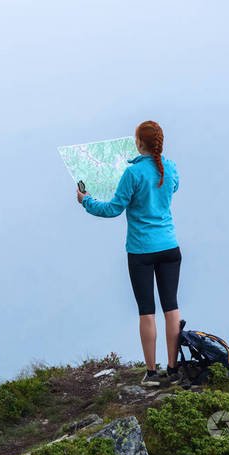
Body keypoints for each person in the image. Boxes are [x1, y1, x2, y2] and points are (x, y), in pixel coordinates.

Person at [76, 121, 182, 387]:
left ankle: (152, 373)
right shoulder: (170, 168)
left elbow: (112, 209)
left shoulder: (132, 174)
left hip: (141, 251)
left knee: (147, 311)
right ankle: (173, 368)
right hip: (170, 247)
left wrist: (85, 200)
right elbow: (173, 187)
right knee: (172, 308)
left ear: (139, 143)